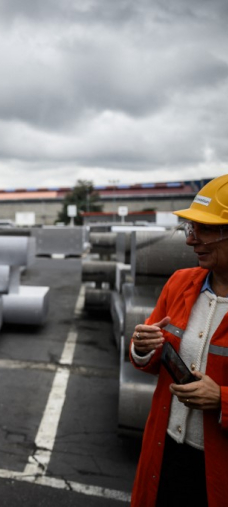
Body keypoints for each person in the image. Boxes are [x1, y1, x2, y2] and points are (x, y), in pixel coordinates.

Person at [129, 174, 228, 506]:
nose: (190, 240)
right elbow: (153, 360)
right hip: (166, 451)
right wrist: (142, 348)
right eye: (191, 228)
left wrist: (222, 399)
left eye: (204, 229)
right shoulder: (181, 282)